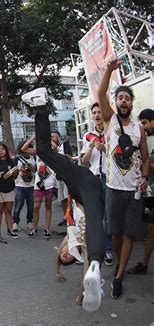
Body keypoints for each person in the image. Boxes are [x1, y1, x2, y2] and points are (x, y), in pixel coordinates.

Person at [22, 86, 106, 312]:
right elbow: (83, 254)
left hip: (82, 185)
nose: (66, 252)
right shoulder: (75, 240)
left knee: (42, 151)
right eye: (69, 256)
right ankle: (96, 272)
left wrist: (59, 267)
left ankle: (40, 105)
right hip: (86, 188)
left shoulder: (70, 236)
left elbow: (40, 150)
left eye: (63, 255)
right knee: (94, 232)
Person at [98, 58, 150, 299]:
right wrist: (109, 69)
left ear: (131, 103)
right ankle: (121, 263)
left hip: (134, 191)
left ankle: (118, 276)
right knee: (116, 233)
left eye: (127, 98)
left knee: (129, 234)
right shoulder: (110, 121)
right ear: (116, 102)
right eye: (120, 98)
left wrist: (145, 178)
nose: (124, 101)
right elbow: (100, 92)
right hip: (113, 189)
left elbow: (146, 158)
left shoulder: (138, 129)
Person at [80, 103, 113, 266]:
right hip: (93, 179)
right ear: (91, 116)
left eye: (100, 112)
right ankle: (92, 249)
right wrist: (91, 148)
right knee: (94, 215)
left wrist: (105, 148)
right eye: (94, 112)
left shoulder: (111, 133)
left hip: (109, 178)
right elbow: (84, 162)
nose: (97, 115)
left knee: (107, 216)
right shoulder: (87, 136)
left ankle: (108, 249)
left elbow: (117, 157)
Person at [127, 108, 154, 274]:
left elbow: (146, 164)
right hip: (151, 191)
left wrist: (145, 167)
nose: (142, 127)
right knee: (151, 229)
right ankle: (144, 264)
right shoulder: (146, 140)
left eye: (144, 122)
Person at [21, 134, 57, 238]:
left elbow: (54, 146)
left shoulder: (52, 152)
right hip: (38, 183)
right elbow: (24, 149)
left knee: (48, 205)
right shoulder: (38, 152)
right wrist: (33, 138)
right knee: (36, 207)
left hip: (49, 182)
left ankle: (47, 228)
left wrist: (46, 137)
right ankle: (34, 228)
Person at [0, 142, 19, 241]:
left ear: (6, 151)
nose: (1, 151)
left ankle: (10, 230)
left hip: (10, 188)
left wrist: (15, 173)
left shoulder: (12, 162)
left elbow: (15, 176)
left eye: (3, 149)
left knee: (9, 211)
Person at [12, 140, 36, 232]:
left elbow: (37, 170)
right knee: (18, 205)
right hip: (20, 185)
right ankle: (15, 222)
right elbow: (13, 173)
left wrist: (33, 168)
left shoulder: (33, 158)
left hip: (31, 185)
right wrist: (19, 169)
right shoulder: (17, 159)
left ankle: (30, 221)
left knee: (31, 205)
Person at [52, 130, 72, 227]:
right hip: (58, 176)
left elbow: (69, 157)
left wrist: (60, 156)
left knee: (68, 198)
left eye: (53, 137)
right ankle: (65, 217)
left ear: (58, 137)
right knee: (62, 199)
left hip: (66, 176)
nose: (51, 139)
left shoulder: (65, 145)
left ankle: (69, 217)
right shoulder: (53, 148)